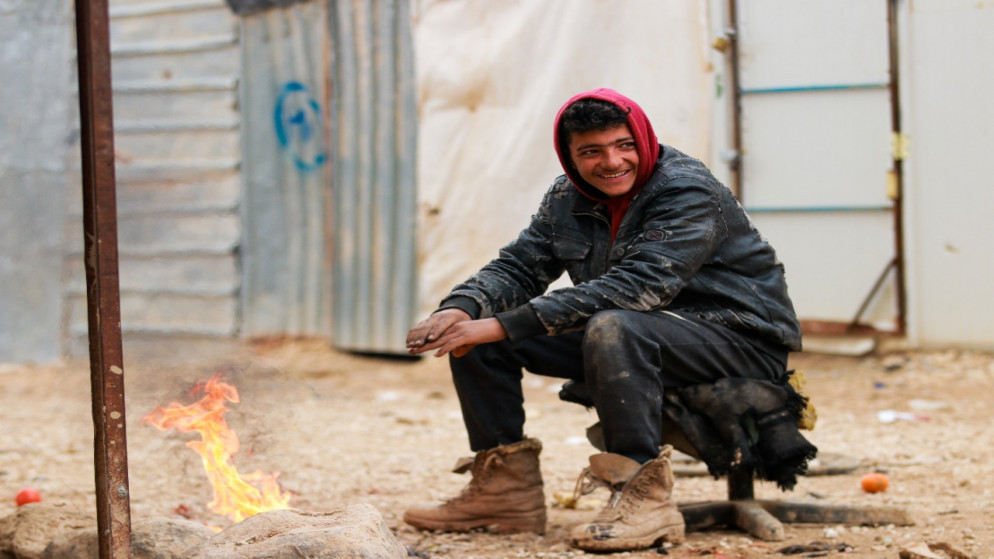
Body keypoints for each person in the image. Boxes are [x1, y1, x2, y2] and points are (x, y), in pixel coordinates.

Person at [402, 88, 802, 552]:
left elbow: (636, 288)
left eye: (624, 145)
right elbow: (520, 265)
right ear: (570, 157)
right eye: (592, 152)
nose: (612, 162)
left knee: (611, 324)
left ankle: (644, 498)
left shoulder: (686, 189)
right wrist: (462, 309)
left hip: (738, 337)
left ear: (644, 140)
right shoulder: (567, 197)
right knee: (478, 339)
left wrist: (501, 323)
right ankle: (505, 493)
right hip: (640, 333)